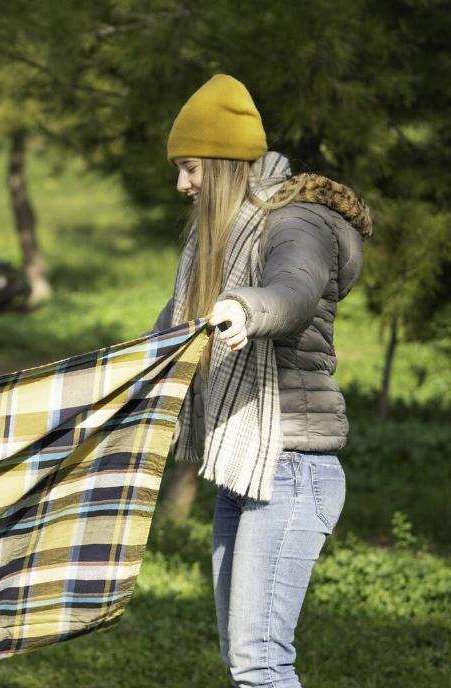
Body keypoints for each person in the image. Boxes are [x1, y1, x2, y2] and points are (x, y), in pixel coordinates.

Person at [147, 74, 372, 687]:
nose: (181, 184)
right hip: (244, 471)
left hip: (293, 470)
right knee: (243, 662)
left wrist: (246, 309)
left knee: (260, 664)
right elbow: (167, 333)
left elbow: (292, 293)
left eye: (190, 166)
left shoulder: (296, 222)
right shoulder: (215, 239)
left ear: (220, 162)